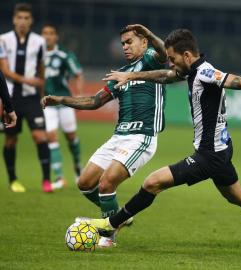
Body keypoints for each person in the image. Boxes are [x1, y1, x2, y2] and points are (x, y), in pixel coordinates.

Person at [87, 28, 241, 255]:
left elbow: (240, 81)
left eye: (172, 59)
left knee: (152, 182)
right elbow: (164, 76)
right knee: (238, 196)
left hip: (208, 155)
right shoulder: (191, 71)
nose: (170, 63)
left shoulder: (205, 73)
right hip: (221, 151)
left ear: (187, 56)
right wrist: (131, 76)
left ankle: (110, 224)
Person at [42, 24, 167, 247]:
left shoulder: (151, 59)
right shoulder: (120, 75)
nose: (125, 47)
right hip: (118, 136)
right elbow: (93, 102)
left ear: (144, 43)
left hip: (142, 137)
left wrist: (148, 32)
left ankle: (109, 236)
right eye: (123, 44)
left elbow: (165, 53)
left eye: (130, 42)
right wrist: (60, 99)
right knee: (85, 183)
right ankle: (119, 215)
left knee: (106, 183)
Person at [0, 3, 51, 193]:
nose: (23, 21)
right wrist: (26, 79)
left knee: (40, 137)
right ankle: (13, 180)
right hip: (10, 98)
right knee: (11, 140)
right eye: (19, 18)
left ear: (31, 21)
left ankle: (46, 180)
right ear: (14, 19)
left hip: (31, 99)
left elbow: (41, 70)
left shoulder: (39, 42)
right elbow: (3, 70)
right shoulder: (3, 40)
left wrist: (42, 95)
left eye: (26, 18)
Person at [41, 24, 84, 190]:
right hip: (48, 105)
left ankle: (78, 169)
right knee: (51, 137)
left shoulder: (65, 55)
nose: (47, 36)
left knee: (71, 138)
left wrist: (79, 96)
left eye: (51, 33)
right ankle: (59, 177)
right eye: (44, 33)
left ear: (56, 37)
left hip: (64, 102)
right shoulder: (37, 55)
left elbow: (78, 73)